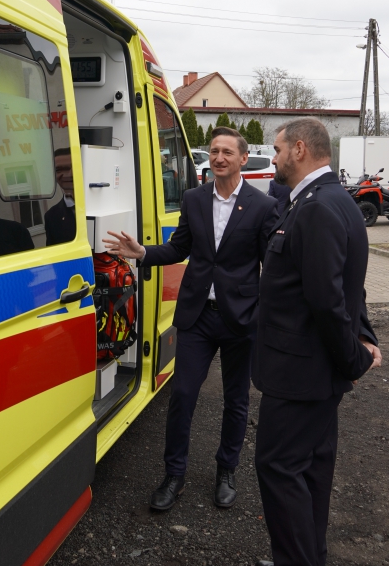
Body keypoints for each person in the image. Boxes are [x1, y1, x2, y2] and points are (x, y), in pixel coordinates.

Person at [249, 119, 382, 566]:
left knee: (281, 471)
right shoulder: (322, 200)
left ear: (299, 149)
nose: (274, 158)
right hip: (306, 372)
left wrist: (354, 358)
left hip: (302, 374)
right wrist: (362, 338)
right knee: (310, 473)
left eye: (278, 149)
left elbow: (330, 299)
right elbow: (350, 286)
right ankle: (300, 563)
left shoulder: (320, 207)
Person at [104, 127, 278, 511]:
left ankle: (226, 470)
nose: (218, 158)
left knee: (236, 400)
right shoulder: (194, 198)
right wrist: (143, 253)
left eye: (227, 152)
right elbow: (179, 248)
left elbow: (272, 265)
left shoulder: (263, 206)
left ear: (243, 159)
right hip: (198, 316)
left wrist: (264, 314)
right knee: (182, 395)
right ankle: (174, 474)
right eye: (214, 151)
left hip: (240, 319)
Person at [45, 148, 76, 246]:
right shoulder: (51, 217)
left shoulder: (104, 204)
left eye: (72, 167)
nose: (67, 174)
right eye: (59, 170)